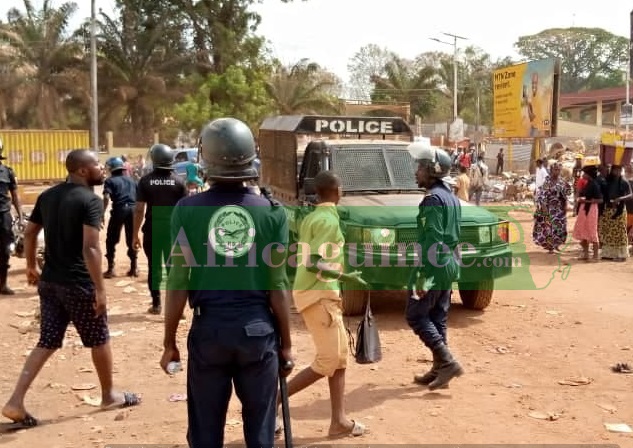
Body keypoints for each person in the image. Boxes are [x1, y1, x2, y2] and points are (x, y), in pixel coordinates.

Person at [159, 117, 294, 448]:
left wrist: (169, 342)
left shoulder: (186, 209)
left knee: (205, 431)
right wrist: (287, 345)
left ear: (206, 157)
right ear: (251, 156)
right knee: (260, 430)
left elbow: (177, 282)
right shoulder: (273, 212)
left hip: (209, 332)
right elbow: (277, 285)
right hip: (259, 333)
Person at [1, 149, 141, 429]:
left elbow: (30, 233)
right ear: (81, 171)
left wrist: (31, 266)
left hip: (50, 283)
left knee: (48, 340)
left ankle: (16, 400)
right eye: (96, 165)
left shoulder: (48, 196)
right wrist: (100, 290)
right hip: (78, 284)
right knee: (99, 337)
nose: (102, 169)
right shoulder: (89, 200)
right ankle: (109, 395)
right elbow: (90, 246)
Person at [276, 170, 368, 438]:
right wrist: (346, 275)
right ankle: (272, 401)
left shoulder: (314, 217)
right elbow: (314, 261)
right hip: (319, 295)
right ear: (338, 192)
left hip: (317, 293)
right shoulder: (327, 220)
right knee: (328, 359)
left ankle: (338, 421)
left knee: (339, 359)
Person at [405, 141, 463, 390]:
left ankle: (448, 362)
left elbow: (433, 239)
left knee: (416, 315)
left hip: (434, 264)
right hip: (449, 263)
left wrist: (423, 276)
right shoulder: (450, 197)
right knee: (437, 315)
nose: (416, 172)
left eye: (420, 167)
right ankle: (441, 369)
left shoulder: (431, 200)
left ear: (432, 170)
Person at [133, 144, 188, 314]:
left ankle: (156, 304)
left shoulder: (145, 181)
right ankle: (177, 309)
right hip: (174, 231)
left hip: (152, 230)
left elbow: (139, 209)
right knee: (174, 268)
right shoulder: (179, 181)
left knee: (154, 267)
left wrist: (134, 234)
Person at [103, 156, 138, 278]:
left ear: (111, 169)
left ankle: (110, 269)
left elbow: (106, 197)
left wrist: (102, 212)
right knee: (132, 239)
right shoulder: (132, 180)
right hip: (133, 210)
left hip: (119, 210)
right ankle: (134, 268)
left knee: (111, 239)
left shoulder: (109, 181)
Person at [0, 137, 24, 295]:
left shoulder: (7, 171)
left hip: (3, 217)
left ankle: (2, 284)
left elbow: (15, 195)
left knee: (4, 251)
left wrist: (21, 216)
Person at [532, 162, 571, 254]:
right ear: (551, 170)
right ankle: (550, 247)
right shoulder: (547, 182)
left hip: (560, 209)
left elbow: (566, 195)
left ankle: (556, 245)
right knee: (549, 228)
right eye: (555, 169)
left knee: (560, 228)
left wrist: (565, 205)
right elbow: (542, 195)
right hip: (549, 208)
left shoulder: (562, 182)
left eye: (558, 170)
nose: (557, 171)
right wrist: (544, 207)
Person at [599, 164, 632, 261]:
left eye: (619, 170)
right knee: (608, 232)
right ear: (612, 170)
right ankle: (608, 254)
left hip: (620, 210)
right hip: (608, 209)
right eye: (615, 170)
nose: (617, 172)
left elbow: (630, 195)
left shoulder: (624, 181)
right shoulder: (607, 181)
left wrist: (620, 199)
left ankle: (621, 255)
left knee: (620, 232)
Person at [572, 164, 602, 261]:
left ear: (589, 174)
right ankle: (585, 254)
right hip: (584, 209)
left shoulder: (595, 185)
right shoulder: (588, 183)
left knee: (592, 231)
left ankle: (596, 256)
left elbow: (600, 200)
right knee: (583, 229)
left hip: (591, 210)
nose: (583, 175)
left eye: (584, 173)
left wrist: (586, 201)